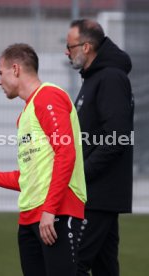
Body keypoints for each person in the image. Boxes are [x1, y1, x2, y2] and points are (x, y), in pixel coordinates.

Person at [0, 43, 87, 276]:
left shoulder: (49, 96)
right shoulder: (25, 114)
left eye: (0, 72)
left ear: (15, 69)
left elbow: (66, 154)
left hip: (56, 212)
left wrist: (50, 210)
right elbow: (28, 178)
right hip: (29, 218)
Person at [66, 19, 134, 276]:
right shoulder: (94, 78)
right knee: (105, 267)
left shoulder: (110, 78)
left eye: (69, 46)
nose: (66, 51)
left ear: (86, 47)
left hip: (97, 193)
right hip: (96, 193)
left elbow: (117, 137)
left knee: (73, 264)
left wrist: (82, 174)